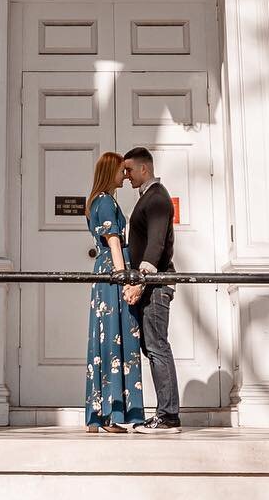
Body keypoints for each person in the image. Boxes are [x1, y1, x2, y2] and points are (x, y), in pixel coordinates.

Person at [84, 150, 145, 433]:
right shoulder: (106, 201)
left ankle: (99, 414)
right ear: (112, 172)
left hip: (103, 273)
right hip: (113, 272)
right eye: (122, 170)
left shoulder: (96, 201)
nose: (126, 175)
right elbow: (114, 242)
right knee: (118, 338)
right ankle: (113, 413)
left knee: (104, 338)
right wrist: (124, 277)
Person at [121, 146, 180, 431]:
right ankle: (166, 413)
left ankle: (168, 416)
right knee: (153, 346)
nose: (126, 175)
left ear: (144, 169)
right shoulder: (151, 197)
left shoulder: (157, 198)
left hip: (155, 286)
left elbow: (155, 245)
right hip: (151, 285)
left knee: (157, 346)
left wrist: (139, 283)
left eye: (129, 170)